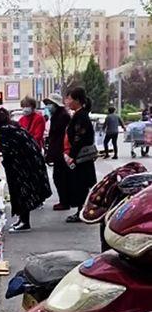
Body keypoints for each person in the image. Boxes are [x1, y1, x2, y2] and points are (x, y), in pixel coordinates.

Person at [0, 107, 52, 232]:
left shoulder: (5, 130)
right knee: (20, 192)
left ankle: (25, 222)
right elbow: (8, 147)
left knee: (22, 192)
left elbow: (8, 149)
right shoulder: (11, 127)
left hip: (23, 166)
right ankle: (22, 219)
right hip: (26, 163)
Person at [64, 87, 98, 223]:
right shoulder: (79, 115)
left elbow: (79, 137)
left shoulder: (81, 116)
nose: (68, 102)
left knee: (81, 184)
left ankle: (82, 211)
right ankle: (82, 210)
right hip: (80, 156)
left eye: (70, 99)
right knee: (81, 183)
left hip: (81, 157)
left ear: (77, 100)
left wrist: (72, 155)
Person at [43, 93, 71, 211]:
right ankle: (63, 200)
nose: (48, 106)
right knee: (59, 177)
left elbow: (58, 137)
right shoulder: (56, 116)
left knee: (61, 178)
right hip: (57, 151)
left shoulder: (63, 116)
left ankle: (65, 201)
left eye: (50, 104)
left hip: (61, 151)